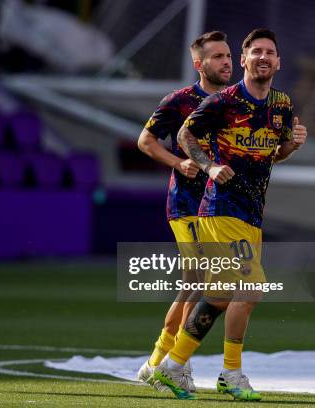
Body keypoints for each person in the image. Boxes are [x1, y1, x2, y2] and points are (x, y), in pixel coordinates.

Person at [155, 28, 308, 400]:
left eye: (270, 52)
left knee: (236, 292)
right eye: (255, 51)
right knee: (244, 287)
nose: (263, 57)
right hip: (220, 206)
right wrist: (207, 167)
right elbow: (186, 135)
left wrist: (290, 145)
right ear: (244, 60)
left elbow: (273, 153)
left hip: (252, 211)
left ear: (278, 62)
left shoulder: (282, 105)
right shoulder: (225, 101)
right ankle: (183, 366)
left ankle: (219, 370)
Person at [135, 31, 232, 394]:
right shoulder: (180, 101)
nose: (226, 61)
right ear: (199, 64)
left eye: (227, 55)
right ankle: (170, 365)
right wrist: (178, 162)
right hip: (189, 206)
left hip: (223, 207)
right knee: (202, 284)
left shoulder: (234, 101)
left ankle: (158, 362)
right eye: (217, 56)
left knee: (197, 285)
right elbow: (145, 141)